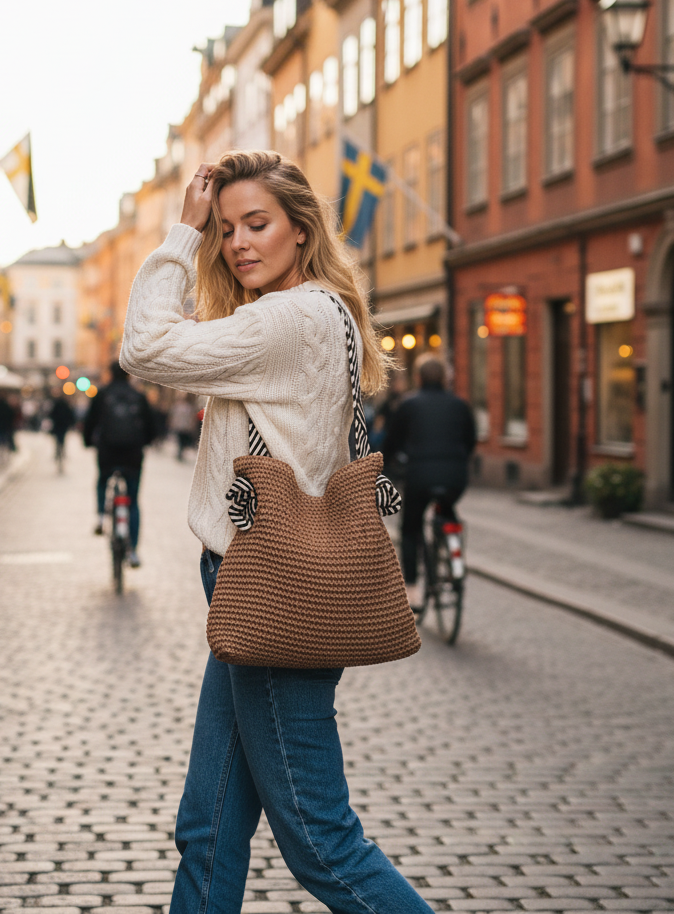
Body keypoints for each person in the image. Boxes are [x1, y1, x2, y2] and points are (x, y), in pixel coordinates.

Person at [119, 151, 432, 914]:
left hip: (269, 584)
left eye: (256, 223)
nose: (237, 243)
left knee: (321, 840)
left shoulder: (285, 320)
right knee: (211, 825)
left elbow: (144, 348)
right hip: (254, 584)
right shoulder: (320, 312)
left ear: (301, 228)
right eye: (225, 229)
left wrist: (181, 238)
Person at [383, 356, 477, 607]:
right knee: (446, 509)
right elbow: (470, 440)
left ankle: (412, 590)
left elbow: (392, 443)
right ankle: (454, 556)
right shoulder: (460, 404)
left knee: (411, 529)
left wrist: (387, 466)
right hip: (455, 477)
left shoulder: (408, 404)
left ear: (419, 378)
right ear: (445, 378)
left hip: (419, 477)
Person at [83, 361, 155, 565]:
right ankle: (132, 551)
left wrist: (88, 442)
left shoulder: (102, 394)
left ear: (110, 374)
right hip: (132, 455)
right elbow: (151, 427)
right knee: (132, 500)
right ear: (129, 375)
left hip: (108, 453)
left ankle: (99, 516)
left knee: (102, 481)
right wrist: (146, 442)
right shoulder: (139, 396)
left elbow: (90, 422)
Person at [48, 390, 76, 471]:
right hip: (64, 426)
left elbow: (51, 414)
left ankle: (58, 452)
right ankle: (61, 450)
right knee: (62, 439)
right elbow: (71, 415)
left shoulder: (56, 405)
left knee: (57, 439)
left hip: (57, 426)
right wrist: (71, 424)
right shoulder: (66, 405)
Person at [167, 393, 199, 461]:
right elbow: (173, 415)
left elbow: (191, 418)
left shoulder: (188, 407)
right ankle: (180, 452)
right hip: (182, 426)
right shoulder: (179, 406)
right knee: (180, 440)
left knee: (182, 440)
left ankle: (180, 451)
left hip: (183, 426)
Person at [0, 392, 16, 461]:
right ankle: (4, 454)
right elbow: (12, 416)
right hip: (5, 427)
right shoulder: (7, 406)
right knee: (4, 442)